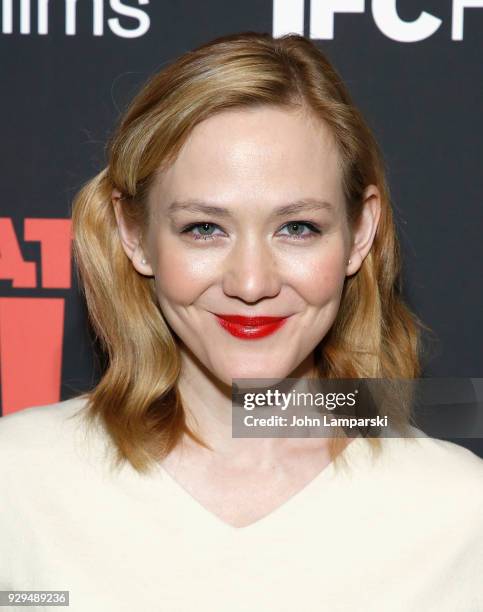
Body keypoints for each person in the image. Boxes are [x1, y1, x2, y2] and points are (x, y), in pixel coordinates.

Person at [1, 31, 482, 612]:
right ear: (135, 236)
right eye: (204, 228)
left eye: (297, 227)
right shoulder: (18, 481)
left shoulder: (459, 515)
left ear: (360, 234)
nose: (251, 284)